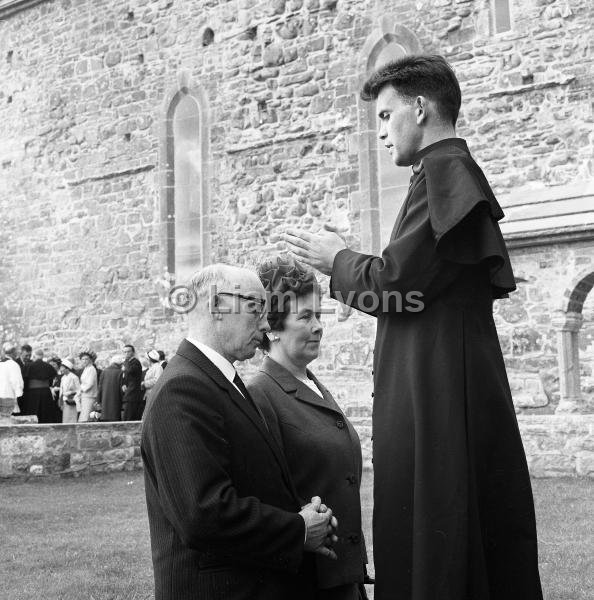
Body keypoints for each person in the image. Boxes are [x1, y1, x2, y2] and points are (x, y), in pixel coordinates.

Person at [284, 54, 542, 600]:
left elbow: (394, 284)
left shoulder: (446, 173)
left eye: (385, 115)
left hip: (440, 388)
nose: (379, 132)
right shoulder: (439, 175)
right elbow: (410, 286)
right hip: (440, 377)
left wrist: (337, 259)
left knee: (441, 528)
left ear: (421, 108)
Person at [141, 264, 339, 600]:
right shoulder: (183, 388)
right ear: (218, 305)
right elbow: (203, 513)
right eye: (255, 308)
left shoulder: (219, 381)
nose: (265, 324)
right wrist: (298, 529)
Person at [248, 255, 370, 600]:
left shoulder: (313, 383)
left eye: (318, 315)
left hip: (344, 575)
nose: (319, 326)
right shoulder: (260, 394)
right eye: (305, 317)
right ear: (272, 328)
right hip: (306, 583)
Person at [25, 348, 58, 423]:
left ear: (34, 356)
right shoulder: (49, 366)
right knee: (46, 412)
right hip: (45, 392)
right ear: (42, 356)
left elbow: (25, 380)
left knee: (33, 411)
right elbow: (51, 381)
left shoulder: (29, 366)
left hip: (33, 393)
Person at [0, 343, 24, 421]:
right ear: (13, 353)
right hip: (8, 396)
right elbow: (16, 381)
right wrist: (19, 394)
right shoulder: (13, 364)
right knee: (6, 420)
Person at [98, 354, 123, 421]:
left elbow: (100, 387)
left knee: (105, 419)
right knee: (115, 419)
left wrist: (99, 400)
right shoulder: (120, 372)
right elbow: (121, 388)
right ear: (120, 364)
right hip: (116, 400)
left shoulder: (104, 371)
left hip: (105, 400)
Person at [121, 344, 144, 420]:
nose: (126, 354)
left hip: (133, 394)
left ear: (133, 352)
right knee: (127, 416)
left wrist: (125, 363)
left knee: (129, 417)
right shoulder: (127, 362)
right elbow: (125, 375)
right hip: (128, 393)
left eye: (128, 352)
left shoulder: (135, 362)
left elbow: (130, 371)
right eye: (124, 352)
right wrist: (123, 384)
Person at [78, 350, 98, 422]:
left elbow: (90, 384)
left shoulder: (92, 369)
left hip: (90, 395)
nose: (84, 361)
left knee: (87, 415)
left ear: (90, 360)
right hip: (84, 395)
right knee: (84, 414)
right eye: (83, 359)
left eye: (86, 359)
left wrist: (81, 389)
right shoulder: (86, 369)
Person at [59, 358, 81, 423]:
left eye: (62, 368)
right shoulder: (63, 378)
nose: (61, 369)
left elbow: (79, 390)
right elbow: (61, 390)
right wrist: (60, 401)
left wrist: (71, 393)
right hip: (64, 401)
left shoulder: (74, 377)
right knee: (65, 419)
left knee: (72, 418)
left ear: (67, 368)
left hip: (71, 400)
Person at [15, 343, 32, 414]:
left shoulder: (32, 363)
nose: (28, 357)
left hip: (29, 393)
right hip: (18, 394)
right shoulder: (15, 363)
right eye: (26, 355)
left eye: (30, 355)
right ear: (21, 353)